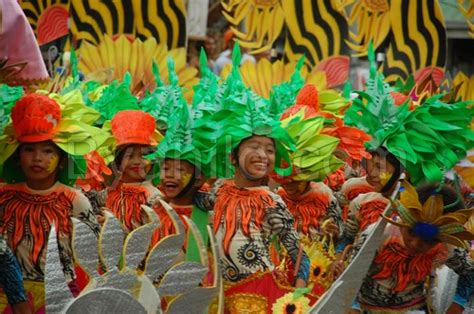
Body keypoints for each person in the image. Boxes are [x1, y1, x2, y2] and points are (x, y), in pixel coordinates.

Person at [0, 94, 104, 312]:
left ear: (62, 160)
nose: (38, 158)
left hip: (60, 295)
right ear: (17, 157)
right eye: (29, 149)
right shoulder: (4, 197)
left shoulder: (75, 200)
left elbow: (91, 254)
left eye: (48, 151)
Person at [348, 181, 474, 313]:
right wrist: (353, 305)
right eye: (411, 232)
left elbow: (470, 272)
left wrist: (457, 305)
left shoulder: (447, 246)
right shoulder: (376, 235)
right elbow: (351, 274)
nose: (415, 244)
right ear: (404, 219)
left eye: (429, 241)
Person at [92, 110, 163, 234]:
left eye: (143, 156)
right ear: (119, 162)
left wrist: (116, 227)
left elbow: (151, 236)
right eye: (129, 156)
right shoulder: (110, 193)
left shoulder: (153, 197)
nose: (137, 162)